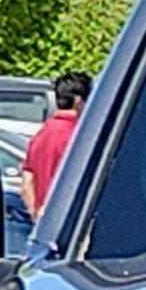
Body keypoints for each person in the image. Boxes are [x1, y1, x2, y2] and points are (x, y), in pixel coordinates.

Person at [19, 73, 88, 218]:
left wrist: (36, 215)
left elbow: (27, 181)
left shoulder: (40, 135)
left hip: (45, 223)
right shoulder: (79, 138)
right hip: (68, 220)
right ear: (78, 101)